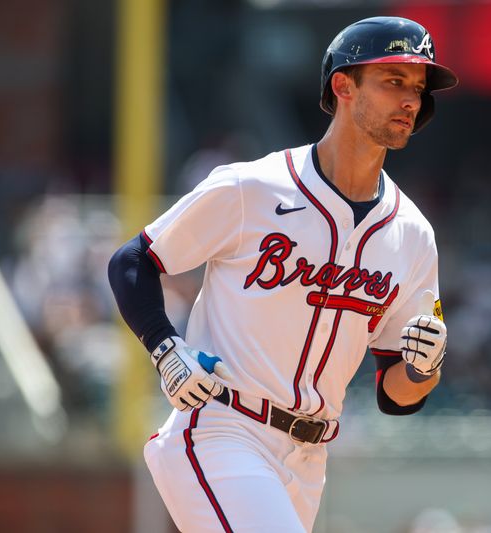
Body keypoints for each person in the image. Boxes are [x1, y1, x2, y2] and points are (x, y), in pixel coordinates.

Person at [108, 15, 457, 533]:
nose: (411, 99)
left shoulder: (412, 234)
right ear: (343, 85)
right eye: (393, 81)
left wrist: (426, 368)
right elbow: (133, 260)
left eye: (418, 86)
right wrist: (165, 348)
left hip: (308, 461)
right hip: (224, 429)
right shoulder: (254, 188)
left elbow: (396, 392)